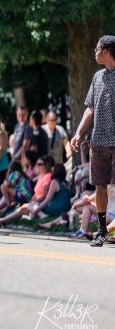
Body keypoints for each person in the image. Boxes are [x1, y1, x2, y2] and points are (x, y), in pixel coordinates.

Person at [71, 35, 115, 247]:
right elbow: (90, 107)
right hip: (99, 140)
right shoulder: (97, 77)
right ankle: (101, 231)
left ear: (106, 51)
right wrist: (79, 132)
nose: (94, 52)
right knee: (100, 186)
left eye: (97, 49)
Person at [0, 164, 70, 229]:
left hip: (53, 210)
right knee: (25, 209)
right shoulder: (67, 184)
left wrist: (37, 210)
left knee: (26, 207)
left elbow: (47, 200)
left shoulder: (54, 182)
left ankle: (0, 220)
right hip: (63, 209)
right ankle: (3, 221)